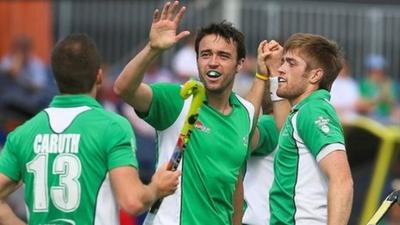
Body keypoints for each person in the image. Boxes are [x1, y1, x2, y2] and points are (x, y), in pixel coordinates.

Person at [113, 1, 270, 224]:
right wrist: (152, 49)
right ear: (197, 60)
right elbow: (123, 88)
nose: (213, 63)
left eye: (223, 56)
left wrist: (262, 77)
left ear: (239, 64)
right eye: (205, 54)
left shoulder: (245, 111)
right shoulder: (178, 99)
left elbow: (236, 183)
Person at [0, 33, 180, 225]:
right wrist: (156, 188)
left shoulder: (22, 134)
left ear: (55, 79)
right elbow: (133, 202)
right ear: (99, 76)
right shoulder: (112, 127)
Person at [267, 33, 354, 224]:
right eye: (282, 62)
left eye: (291, 63)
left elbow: (342, 181)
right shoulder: (302, 112)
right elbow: (283, 129)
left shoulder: (313, 110)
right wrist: (274, 74)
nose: (281, 68)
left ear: (315, 75)